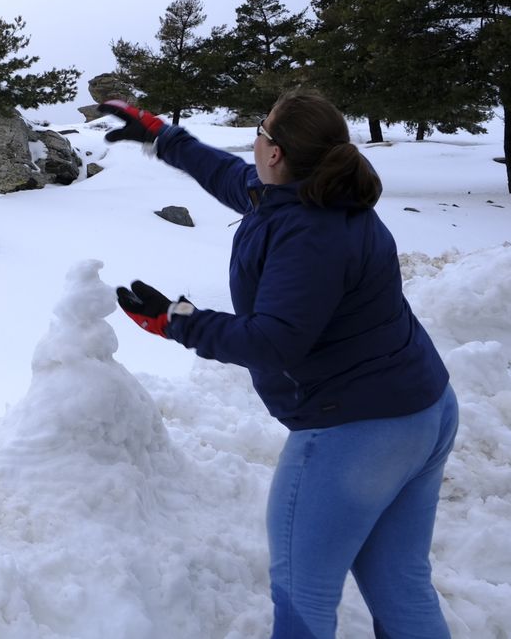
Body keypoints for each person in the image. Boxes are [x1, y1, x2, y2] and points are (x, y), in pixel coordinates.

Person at [99, 91, 456, 639]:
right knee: (400, 582)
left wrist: (179, 321)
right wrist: (162, 138)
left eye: (261, 130)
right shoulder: (313, 192)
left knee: (302, 595)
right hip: (423, 410)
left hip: (356, 431)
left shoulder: (310, 234)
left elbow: (274, 341)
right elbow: (231, 176)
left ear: (276, 153)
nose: (255, 138)